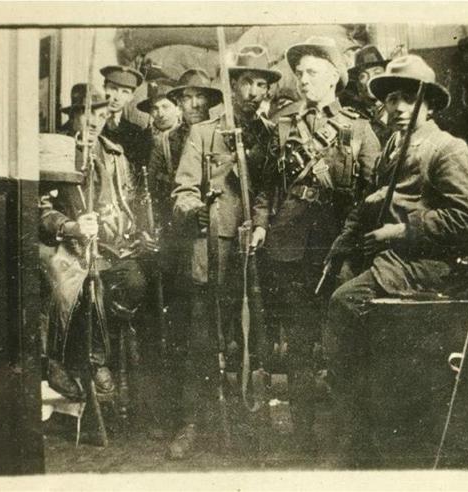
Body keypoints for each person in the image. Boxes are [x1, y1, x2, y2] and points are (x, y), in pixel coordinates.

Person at [322, 54, 468, 466]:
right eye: (391, 99)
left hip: (422, 262)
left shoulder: (447, 148)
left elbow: (466, 217)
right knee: (331, 292)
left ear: (428, 104)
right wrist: (345, 242)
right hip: (388, 257)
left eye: (408, 99)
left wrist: (403, 230)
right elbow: (378, 199)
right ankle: (363, 424)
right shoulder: (395, 145)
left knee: (344, 304)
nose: (397, 108)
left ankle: (363, 426)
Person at [263, 37, 381, 455]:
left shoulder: (360, 127)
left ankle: (349, 436)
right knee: (297, 344)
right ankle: (300, 437)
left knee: (343, 345)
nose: (303, 79)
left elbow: (373, 193)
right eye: (300, 73)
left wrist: (355, 244)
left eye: (312, 72)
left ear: (334, 76)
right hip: (291, 245)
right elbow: (267, 188)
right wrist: (263, 225)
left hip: (338, 246)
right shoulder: (282, 124)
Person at [168, 48, 280, 459]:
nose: (254, 91)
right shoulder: (204, 133)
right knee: (203, 338)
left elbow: (267, 190)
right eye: (247, 82)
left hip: (249, 250)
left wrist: (263, 223)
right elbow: (182, 188)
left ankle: (245, 418)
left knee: (244, 338)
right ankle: (192, 424)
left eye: (262, 83)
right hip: (211, 246)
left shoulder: (268, 133)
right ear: (233, 86)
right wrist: (194, 209)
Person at [39, 83, 157, 401]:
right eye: (88, 115)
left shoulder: (115, 154)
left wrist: (137, 229)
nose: (95, 122)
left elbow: (129, 201)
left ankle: (95, 348)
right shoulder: (56, 151)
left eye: (102, 115)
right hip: (71, 245)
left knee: (136, 282)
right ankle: (81, 359)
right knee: (78, 286)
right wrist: (71, 225)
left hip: (113, 246)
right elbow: (42, 208)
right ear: (75, 116)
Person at [100, 65, 152, 172]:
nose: (117, 97)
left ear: (130, 97)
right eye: (113, 89)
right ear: (103, 88)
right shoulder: (88, 123)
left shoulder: (137, 133)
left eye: (125, 92)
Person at [341, 45, 391, 145]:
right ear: (358, 83)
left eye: (377, 73)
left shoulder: (399, 110)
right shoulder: (354, 115)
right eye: (363, 76)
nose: (370, 80)